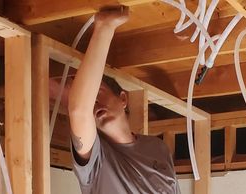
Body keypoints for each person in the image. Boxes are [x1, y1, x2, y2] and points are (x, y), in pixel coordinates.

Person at [67, 7, 181, 194]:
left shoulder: (157, 148)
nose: (93, 103)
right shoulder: (95, 160)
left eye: (98, 94)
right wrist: (105, 28)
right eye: (90, 99)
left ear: (123, 99)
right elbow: (79, 111)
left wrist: (105, 25)